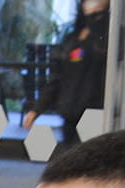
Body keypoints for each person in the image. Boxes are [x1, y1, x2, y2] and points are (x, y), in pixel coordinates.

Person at [23, 0, 109, 145]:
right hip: (70, 111)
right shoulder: (72, 38)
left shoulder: (108, 36)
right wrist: (37, 109)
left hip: (96, 112)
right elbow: (57, 78)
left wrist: (97, 16)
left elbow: (102, 57)